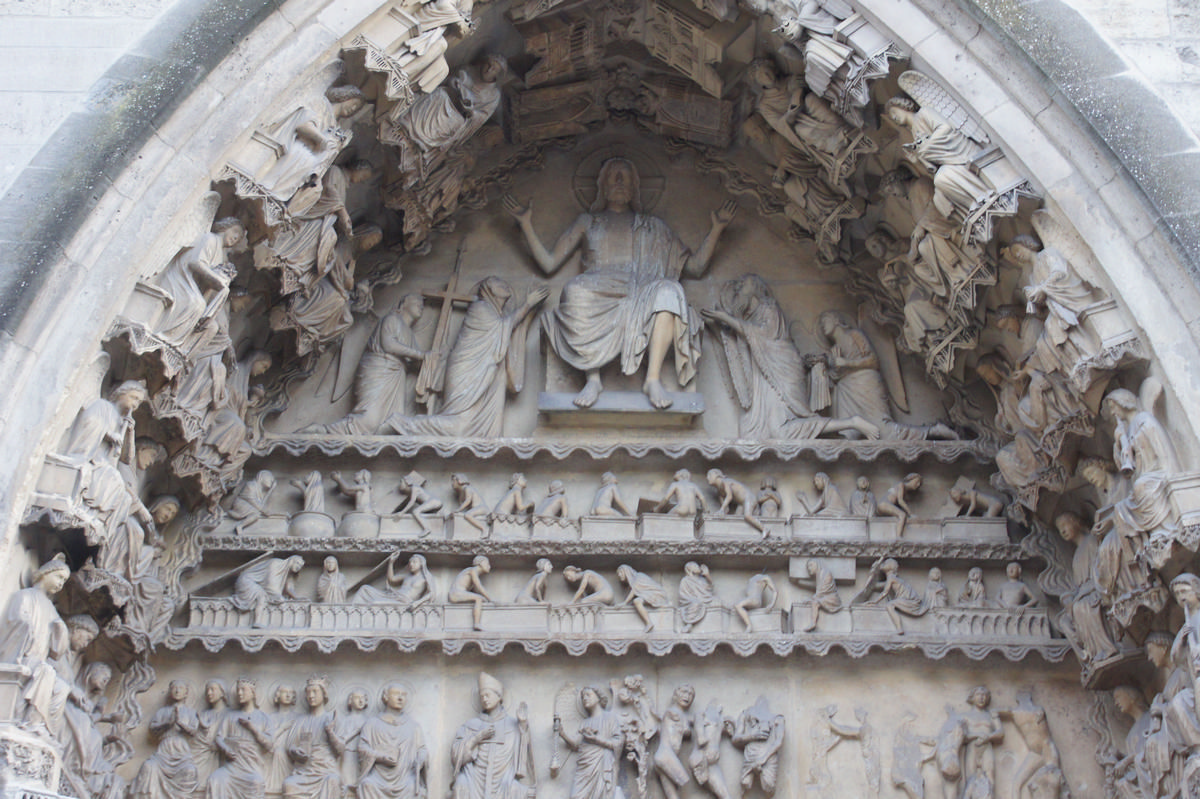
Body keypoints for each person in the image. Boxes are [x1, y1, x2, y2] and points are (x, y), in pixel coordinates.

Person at [505, 157, 736, 409]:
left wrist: (717, 229)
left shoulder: (653, 227)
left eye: (624, 176)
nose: (618, 181)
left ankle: (653, 379)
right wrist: (526, 224)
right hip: (598, 287)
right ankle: (593, 378)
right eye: (613, 176)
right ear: (602, 185)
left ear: (634, 187)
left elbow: (695, 268)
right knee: (574, 291)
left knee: (671, 291)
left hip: (642, 290)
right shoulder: (588, 221)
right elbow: (549, 265)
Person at [702, 276, 878, 440]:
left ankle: (852, 422)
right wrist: (720, 326)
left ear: (755, 289)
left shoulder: (769, 309)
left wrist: (727, 319)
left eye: (743, 285)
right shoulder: (750, 318)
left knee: (782, 432)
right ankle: (841, 427)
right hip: (765, 380)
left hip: (782, 374)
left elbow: (762, 335)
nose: (739, 289)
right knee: (751, 432)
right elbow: (741, 344)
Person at [386, 278, 548, 437]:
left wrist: (530, 309)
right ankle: (408, 425)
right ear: (489, 290)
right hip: (466, 369)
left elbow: (507, 330)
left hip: (485, 372)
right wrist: (527, 304)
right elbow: (503, 327)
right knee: (459, 424)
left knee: (466, 424)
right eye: (499, 284)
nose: (505, 285)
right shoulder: (480, 308)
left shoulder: (498, 317)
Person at [311, 293, 427, 434]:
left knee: (391, 423)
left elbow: (413, 362)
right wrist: (420, 355)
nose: (420, 305)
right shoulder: (392, 320)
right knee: (369, 419)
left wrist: (431, 361)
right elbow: (389, 345)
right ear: (403, 303)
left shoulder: (410, 335)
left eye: (422, 303)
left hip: (396, 377)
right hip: (380, 369)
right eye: (416, 300)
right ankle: (325, 432)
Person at [0, 555, 71, 732]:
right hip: (22, 655)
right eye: (59, 577)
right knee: (46, 672)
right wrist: (28, 629)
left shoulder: (51, 609)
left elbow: (56, 652)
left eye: (64, 581)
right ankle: (31, 723)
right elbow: (15, 621)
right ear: (45, 573)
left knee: (62, 688)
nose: (61, 583)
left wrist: (60, 631)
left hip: (38, 660)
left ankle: (45, 729)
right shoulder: (25, 596)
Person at [450, 673, 535, 799]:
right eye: (482, 696)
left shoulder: (512, 725)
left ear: (499, 696)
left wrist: (522, 726)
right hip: (474, 779)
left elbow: (522, 760)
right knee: (461, 784)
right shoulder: (471, 725)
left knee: (513, 787)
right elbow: (456, 758)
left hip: (502, 781)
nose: (484, 699)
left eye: (487, 695)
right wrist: (476, 739)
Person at [357, 682, 428, 799]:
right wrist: (380, 756)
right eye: (396, 694)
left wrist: (421, 759)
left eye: (403, 695)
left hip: (404, 777)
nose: (400, 698)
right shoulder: (372, 723)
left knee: (413, 788)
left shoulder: (413, 726)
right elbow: (362, 747)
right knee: (367, 785)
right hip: (379, 778)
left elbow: (422, 749)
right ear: (386, 697)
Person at [131, 680, 200, 799]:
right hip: (163, 751)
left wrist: (180, 723)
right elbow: (153, 729)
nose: (177, 690)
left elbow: (193, 732)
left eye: (181, 688)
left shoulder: (191, 712)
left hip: (181, 752)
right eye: (174, 688)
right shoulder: (162, 711)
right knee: (149, 766)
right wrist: (168, 723)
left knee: (190, 771)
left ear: (186, 693)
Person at [208, 678, 274, 799]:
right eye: (238, 691)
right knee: (215, 778)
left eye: (243, 690)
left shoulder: (263, 717)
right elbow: (219, 738)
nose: (239, 693)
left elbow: (269, 745)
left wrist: (253, 729)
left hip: (251, 767)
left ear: (253, 693)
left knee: (256, 783)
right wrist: (226, 749)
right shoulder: (230, 716)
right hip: (231, 767)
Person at [556, 686, 624, 799]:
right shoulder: (585, 723)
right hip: (585, 767)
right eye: (583, 697)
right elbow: (576, 744)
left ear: (598, 698)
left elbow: (618, 743)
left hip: (601, 764)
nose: (585, 699)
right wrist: (562, 734)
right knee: (576, 796)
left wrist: (596, 740)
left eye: (588, 695)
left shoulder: (610, 718)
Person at [283, 676, 344, 799]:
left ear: (324, 694)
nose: (311, 696)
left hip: (326, 770)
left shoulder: (333, 717)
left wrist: (330, 732)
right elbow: (290, 746)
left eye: (315, 692)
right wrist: (296, 751)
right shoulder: (301, 721)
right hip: (305, 770)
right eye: (308, 692)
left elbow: (341, 750)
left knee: (333, 781)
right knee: (289, 784)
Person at [231, 555, 304, 628]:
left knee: (267, 596)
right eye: (297, 563)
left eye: (300, 566)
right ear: (291, 561)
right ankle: (257, 622)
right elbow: (270, 586)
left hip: (258, 586)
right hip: (246, 581)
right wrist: (280, 598)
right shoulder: (275, 564)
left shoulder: (289, 573)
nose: (298, 567)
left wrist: (297, 598)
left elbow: (289, 588)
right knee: (261, 596)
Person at [654, 685, 695, 799]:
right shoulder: (673, 713)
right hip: (666, 756)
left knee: (673, 796)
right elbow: (687, 731)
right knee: (686, 782)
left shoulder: (675, 714)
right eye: (684, 692)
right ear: (676, 695)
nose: (687, 697)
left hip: (663, 757)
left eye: (690, 695)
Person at [354, 553, 435, 606]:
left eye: (414, 562)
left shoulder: (425, 578)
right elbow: (391, 579)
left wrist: (417, 603)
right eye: (410, 562)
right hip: (394, 596)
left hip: (404, 601)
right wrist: (391, 563)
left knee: (375, 603)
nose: (411, 564)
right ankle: (352, 612)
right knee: (364, 588)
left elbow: (431, 593)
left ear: (421, 564)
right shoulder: (407, 576)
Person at [617, 565, 671, 632]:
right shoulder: (633, 581)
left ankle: (649, 623)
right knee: (635, 601)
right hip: (650, 595)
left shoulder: (638, 576)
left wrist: (624, 603)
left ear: (626, 571)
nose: (619, 575)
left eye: (621, 572)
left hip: (658, 594)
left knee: (637, 601)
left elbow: (634, 590)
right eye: (618, 573)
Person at [449, 556, 493, 631]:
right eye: (487, 564)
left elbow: (476, 590)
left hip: (459, 593)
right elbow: (479, 586)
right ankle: (477, 624)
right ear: (481, 563)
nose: (489, 566)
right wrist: (491, 600)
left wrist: (486, 599)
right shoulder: (472, 570)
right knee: (478, 598)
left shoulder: (473, 573)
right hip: (456, 593)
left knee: (481, 598)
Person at [678, 562, 716, 632]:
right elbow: (682, 594)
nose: (698, 567)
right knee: (696, 603)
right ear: (690, 570)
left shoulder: (702, 579)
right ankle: (689, 623)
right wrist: (693, 599)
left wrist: (707, 575)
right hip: (690, 600)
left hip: (705, 598)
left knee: (717, 601)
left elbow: (710, 588)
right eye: (695, 566)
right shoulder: (686, 580)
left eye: (697, 566)